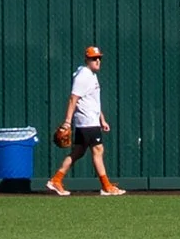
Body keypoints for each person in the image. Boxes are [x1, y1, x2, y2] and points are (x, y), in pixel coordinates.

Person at [47, 45, 124, 196]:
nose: (97, 61)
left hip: (91, 119)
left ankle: (56, 180)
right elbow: (73, 99)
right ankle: (106, 186)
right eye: (94, 58)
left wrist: (102, 119)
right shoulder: (83, 76)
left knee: (78, 152)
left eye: (99, 58)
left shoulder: (91, 75)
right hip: (86, 121)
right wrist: (67, 122)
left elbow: (93, 100)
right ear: (87, 59)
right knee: (98, 149)